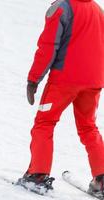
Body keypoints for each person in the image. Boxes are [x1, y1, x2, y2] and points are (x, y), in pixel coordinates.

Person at [17, 0, 104, 196]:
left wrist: (33, 80)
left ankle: (37, 176)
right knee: (89, 127)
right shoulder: (98, 10)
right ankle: (102, 178)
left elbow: (48, 47)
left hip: (64, 81)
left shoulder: (61, 8)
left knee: (44, 123)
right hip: (93, 82)